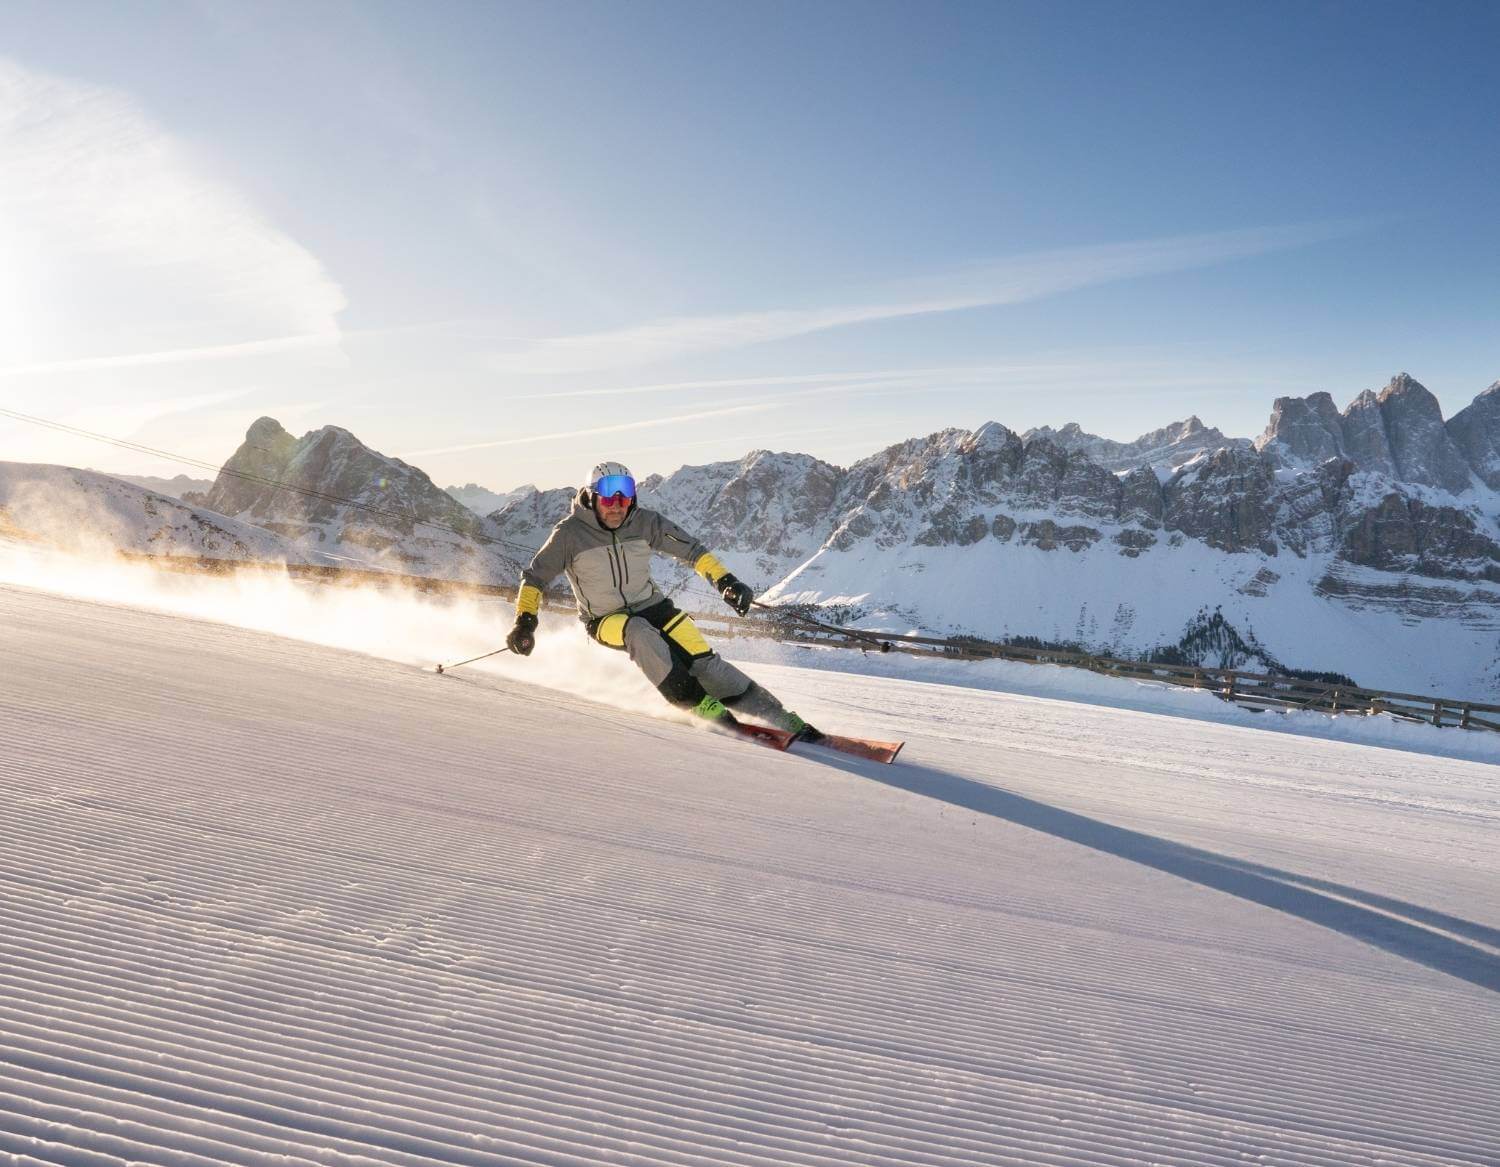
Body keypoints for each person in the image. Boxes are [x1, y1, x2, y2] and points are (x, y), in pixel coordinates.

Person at [505, 461, 822, 740]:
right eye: (608, 498)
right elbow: (535, 578)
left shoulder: (644, 522)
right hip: (605, 620)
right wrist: (525, 622)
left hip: (653, 607)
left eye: (624, 498)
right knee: (639, 632)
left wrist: (726, 582)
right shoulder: (569, 535)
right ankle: (700, 706)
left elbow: (693, 551)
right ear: (591, 497)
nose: (617, 506)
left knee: (705, 662)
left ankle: (781, 717)